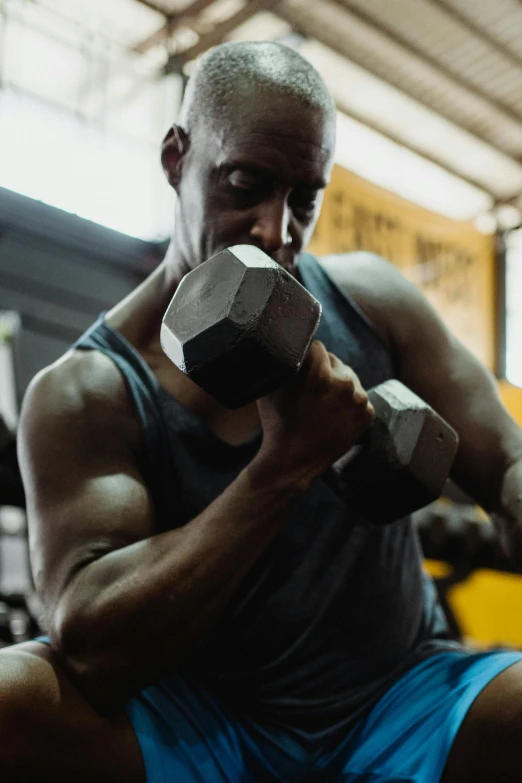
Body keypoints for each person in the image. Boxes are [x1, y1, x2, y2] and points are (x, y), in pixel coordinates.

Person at [2, 40, 522, 783]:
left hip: (395, 701)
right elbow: (90, 645)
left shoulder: (372, 302)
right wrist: (285, 466)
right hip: (206, 727)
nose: (277, 231)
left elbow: (506, 457)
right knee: (10, 704)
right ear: (176, 158)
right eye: (245, 184)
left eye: (304, 197)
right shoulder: (87, 391)